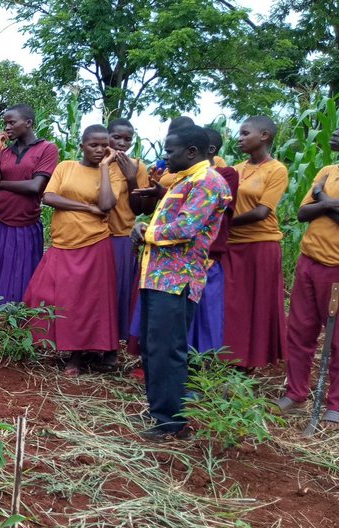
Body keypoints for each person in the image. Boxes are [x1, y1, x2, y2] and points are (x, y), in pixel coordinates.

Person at [132, 126, 231, 441]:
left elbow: (186, 228)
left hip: (176, 280)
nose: (165, 156)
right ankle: (161, 414)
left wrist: (145, 232)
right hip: (158, 276)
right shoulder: (187, 179)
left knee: (167, 350)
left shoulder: (209, 181)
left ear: (191, 151)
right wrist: (145, 226)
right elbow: (170, 223)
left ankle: (171, 423)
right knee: (153, 348)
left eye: (170, 150)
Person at [22, 125, 120, 376]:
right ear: (82, 146)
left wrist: (106, 168)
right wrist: (87, 208)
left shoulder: (111, 171)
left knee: (84, 302)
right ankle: (47, 343)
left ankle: (76, 357)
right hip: (62, 241)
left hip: (94, 242)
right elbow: (49, 197)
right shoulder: (66, 166)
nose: (99, 150)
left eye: (104, 145)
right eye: (93, 145)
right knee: (44, 292)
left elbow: (107, 205)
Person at [278, 126, 339, 424]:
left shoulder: (324, 182)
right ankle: (296, 392)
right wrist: (328, 202)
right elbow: (303, 213)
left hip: (337, 269)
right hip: (309, 260)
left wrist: (321, 199)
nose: (336, 131)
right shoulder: (327, 171)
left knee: (337, 339)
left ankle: (335, 405)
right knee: (300, 329)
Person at [222, 116, 288, 371]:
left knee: (256, 306)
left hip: (261, 244)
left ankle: (250, 362)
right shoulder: (236, 169)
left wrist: (224, 225)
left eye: (245, 133)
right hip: (233, 244)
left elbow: (262, 212)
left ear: (264, 136)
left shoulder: (276, 170)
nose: (239, 137)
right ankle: (230, 357)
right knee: (233, 303)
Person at [0, 104, 58, 305]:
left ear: (29, 123)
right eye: (5, 122)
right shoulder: (4, 152)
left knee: (19, 275)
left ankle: (13, 324)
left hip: (25, 223)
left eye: (11, 122)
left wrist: (2, 184)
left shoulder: (47, 149)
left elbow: (36, 186)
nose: (6, 127)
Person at [101, 118, 149, 369]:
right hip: (92, 235)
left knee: (116, 294)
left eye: (127, 139)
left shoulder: (138, 167)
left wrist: (132, 179)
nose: (121, 143)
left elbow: (141, 207)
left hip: (119, 236)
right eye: (116, 137)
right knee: (95, 293)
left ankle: (110, 350)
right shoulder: (97, 160)